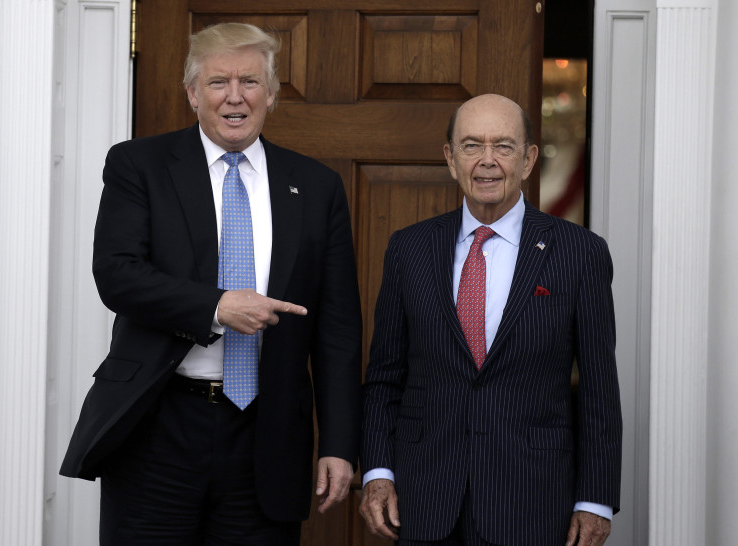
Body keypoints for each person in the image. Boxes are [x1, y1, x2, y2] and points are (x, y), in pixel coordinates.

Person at [60, 22, 362, 545]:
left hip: (267, 437)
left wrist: (338, 443)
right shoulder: (140, 165)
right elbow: (117, 273)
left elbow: (336, 329)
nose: (235, 97)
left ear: (271, 95)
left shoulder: (316, 186)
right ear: (192, 93)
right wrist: (217, 306)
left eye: (250, 81)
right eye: (219, 82)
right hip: (158, 427)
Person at [359, 94, 622, 546]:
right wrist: (378, 472)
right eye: (471, 145)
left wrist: (594, 499)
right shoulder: (409, 249)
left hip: (532, 501)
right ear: (449, 158)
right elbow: (385, 376)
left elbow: (599, 387)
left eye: (503, 146)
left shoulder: (580, 252)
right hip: (424, 501)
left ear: (528, 160)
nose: (487, 161)